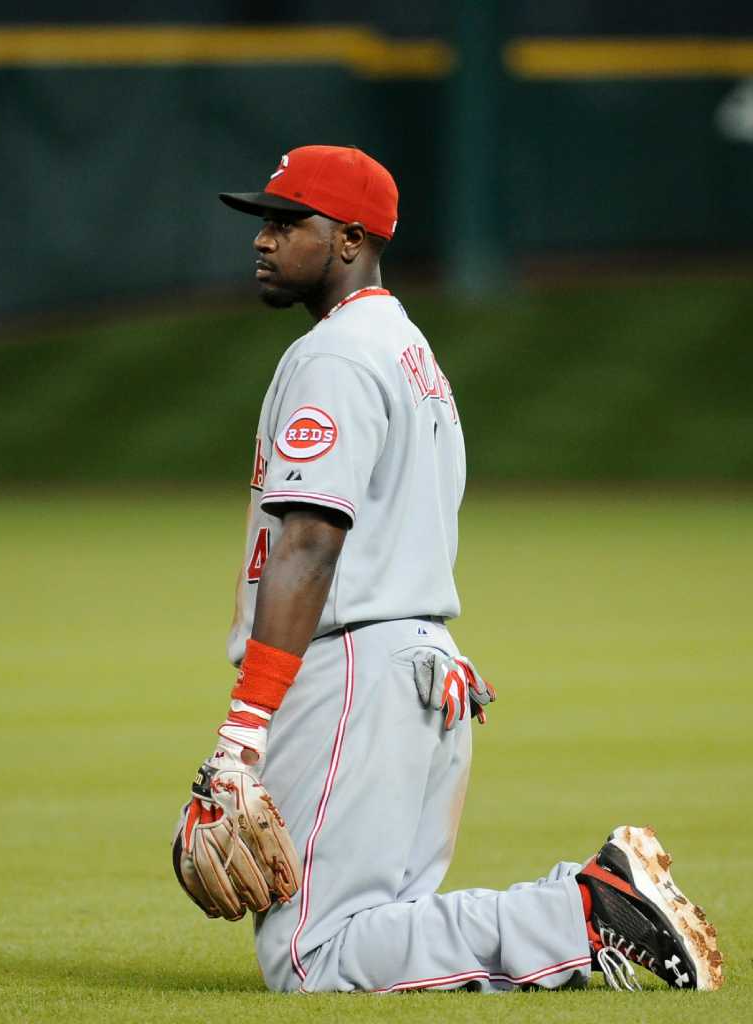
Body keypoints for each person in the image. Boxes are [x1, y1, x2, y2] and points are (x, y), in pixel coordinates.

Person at [172, 145, 723, 994]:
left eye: (288, 222)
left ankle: (583, 910)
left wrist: (244, 728)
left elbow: (311, 543)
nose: (265, 240)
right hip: (419, 664)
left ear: (350, 237)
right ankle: (585, 931)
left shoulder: (335, 356)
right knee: (387, 928)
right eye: (264, 222)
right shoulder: (409, 350)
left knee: (314, 957)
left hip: (355, 666)